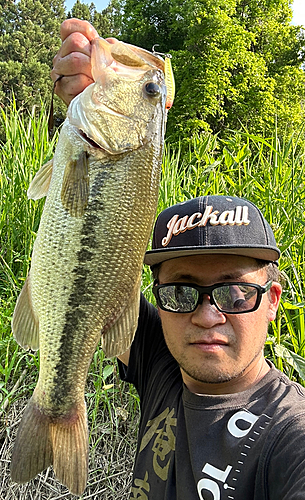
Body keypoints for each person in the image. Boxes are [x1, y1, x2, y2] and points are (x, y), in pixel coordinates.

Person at [52, 20, 305, 499]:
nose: (207, 315)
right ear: (158, 301)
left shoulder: (291, 439)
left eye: (236, 291)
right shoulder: (164, 363)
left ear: (272, 299)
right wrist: (93, 99)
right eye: (182, 291)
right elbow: (82, 274)